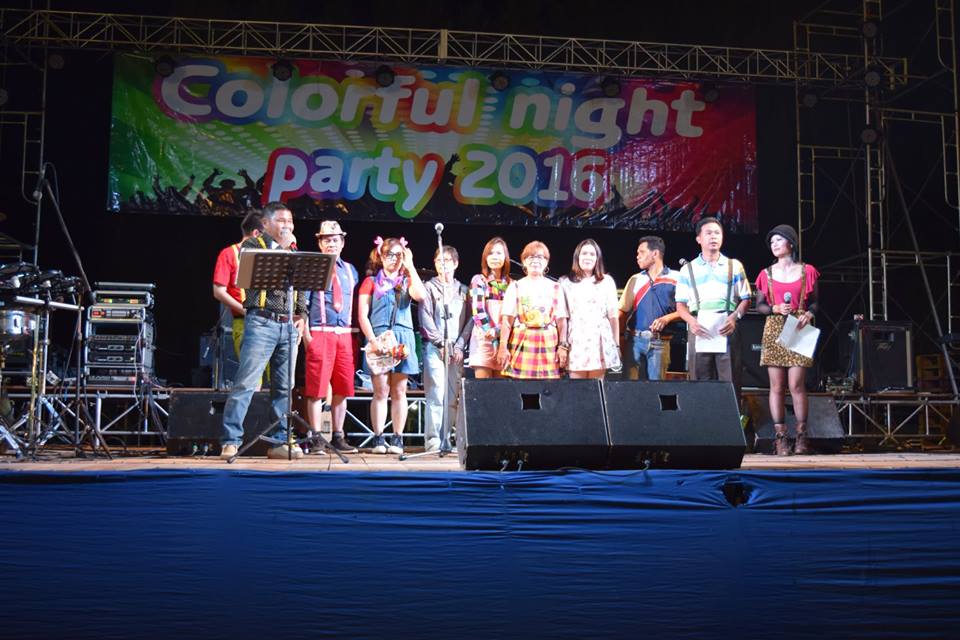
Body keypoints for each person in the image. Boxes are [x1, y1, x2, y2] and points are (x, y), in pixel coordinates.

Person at [220, 202, 307, 460]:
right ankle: (231, 440)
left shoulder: (293, 249)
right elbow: (259, 277)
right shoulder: (252, 245)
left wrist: (302, 316)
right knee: (246, 383)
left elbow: (301, 287)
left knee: (284, 387)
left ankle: (279, 441)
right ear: (266, 224)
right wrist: (283, 248)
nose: (287, 226)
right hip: (261, 323)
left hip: (287, 325)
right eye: (281, 221)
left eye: (290, 221)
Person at [754, 224, 821, 456]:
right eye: (771, 242)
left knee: (796, 385)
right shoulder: (766, 274)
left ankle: (802, 436)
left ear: (790, 243)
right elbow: (759, 305)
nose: (774, 245)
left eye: (778, 240)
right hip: (775, 327)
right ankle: (781, 438)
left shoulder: (807, 271)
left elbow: (815, 302)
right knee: (777, 386)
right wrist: (774, 308)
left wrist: (809, 314)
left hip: (798, 327)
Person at [357, 237, 426, 455]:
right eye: (389, 255)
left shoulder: (406, 279)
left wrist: (411, 266)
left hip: (402, 338)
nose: (394, 259)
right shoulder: (370, 282)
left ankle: (397, 437)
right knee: (380, 391)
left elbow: (421, 296)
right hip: (379, 338)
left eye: (398, 255)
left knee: (399, 390)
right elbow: (362, 315)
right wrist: (372, 340)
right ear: (381, 256)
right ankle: (378, 438)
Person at [675, 217, 752, 399]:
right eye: (708, 233)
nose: (713, 237)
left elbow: (746, 299)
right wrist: (691, 322)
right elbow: (680, 305)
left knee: (730, 381)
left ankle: (731, 417)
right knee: (700, 381)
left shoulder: (734, 266)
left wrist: (735, 317)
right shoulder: (688, 269)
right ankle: (702, 416)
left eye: (717, 233)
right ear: (699, 239)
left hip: (726, 326)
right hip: (699, 327)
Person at [302, 220, 360, 455]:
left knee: (343, 388)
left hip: (344, 335)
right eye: (326, 240)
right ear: (320, 243)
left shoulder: (351, 271)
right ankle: (316, 437)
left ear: (342, 242)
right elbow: (302, 306)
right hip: (321, 332)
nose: (331, 244)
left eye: (335, 239)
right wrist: (307, 338)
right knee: (316, 388)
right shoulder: (312, 268)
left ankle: (338, 436)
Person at [419, 245, 471, 452]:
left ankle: (446, 439)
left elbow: (470, 320)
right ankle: (432, 440)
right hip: (435, 348)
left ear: (456, 263)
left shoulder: (464, 290)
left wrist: (459, 346)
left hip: (456, 350)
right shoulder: (429, 287)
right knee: (436, 393)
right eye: (439, 260)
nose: (443, 264)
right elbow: (425, 317)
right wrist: (440, 343)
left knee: (451, 396)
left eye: (447, 260)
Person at [497, 241, 569, 379]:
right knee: (520, 387)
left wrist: (562, 346)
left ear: (546, 262)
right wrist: (502, 347)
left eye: (540, 257)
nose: (535, 261)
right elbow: (507, 321)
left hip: (549, 343)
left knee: (548, 388)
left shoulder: (556, 287)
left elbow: (562, 321)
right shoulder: (515, 286)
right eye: (530, 257)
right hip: (522, 341)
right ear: (524, 262)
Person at [618, 236, 680, 380]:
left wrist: (667, 318)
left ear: (655, 253)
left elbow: (687, 310)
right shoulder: (635, 279)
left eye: (641, 252)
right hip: (634, 342)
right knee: (630, 387)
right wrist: (620, 340)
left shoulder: (676, 278)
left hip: (660, 342)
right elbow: (622, 310)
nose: (637, 256)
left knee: (656, 389)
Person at [559, 239, 621, 378]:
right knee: (577, 388)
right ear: (577, 257)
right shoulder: (565, 282)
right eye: (584, 253)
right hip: (576, 341)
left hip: (600, 342)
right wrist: (562, 345)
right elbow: (562, 317)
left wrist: (616, 345)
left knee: (597, 387)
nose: (588, 257)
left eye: (592, 254)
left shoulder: (607, 281)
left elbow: (613, 317)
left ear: (597, 258)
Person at [212, 210, 264, 360]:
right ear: (256, 234)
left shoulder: (266, 256)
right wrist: (245, 311)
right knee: (252, 371)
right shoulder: (229, 254)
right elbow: (218, 292)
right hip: (244, 322)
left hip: (269, 323)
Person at [468, 237, 512, 378]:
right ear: (485, 258)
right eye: (490, 253)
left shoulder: (511, 284)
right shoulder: (479, 280)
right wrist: (491, 332)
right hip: (483, 338)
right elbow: (477, 310)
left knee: (503, 387)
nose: (494, 257)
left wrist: (498, 331)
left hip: (505, 339)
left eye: (499, 253)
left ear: (505, 257)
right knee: (483, 387)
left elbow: (512, 315)